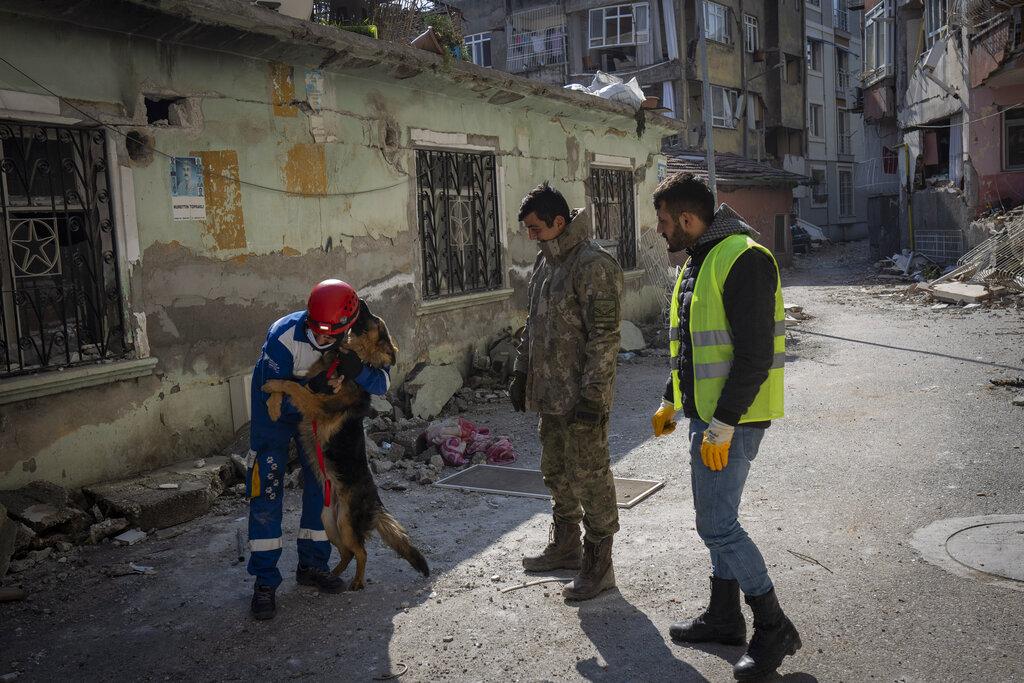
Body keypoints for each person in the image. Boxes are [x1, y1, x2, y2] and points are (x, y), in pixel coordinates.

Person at [649, 173, 800, 680]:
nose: (660, 231)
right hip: (710, 416)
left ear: (689, 220)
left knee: (717, 525)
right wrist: (672, 399)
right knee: (719, 516)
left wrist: (723, 425)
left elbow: (756, 355)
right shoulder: (699, 261)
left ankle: (773, 626)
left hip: (734, 419)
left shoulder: (744, 258)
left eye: (665, 222)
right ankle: (724, 615)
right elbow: (691, 346)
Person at [246, 279, 391, 620]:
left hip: (317, 419)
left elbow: (383, 383)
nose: (325, 340)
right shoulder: (283, 337)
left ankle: (312, 565)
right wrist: (315, 387)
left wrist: (359, 372)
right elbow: (275, 399)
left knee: (321, 490)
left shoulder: (357, 335)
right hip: (276, 416)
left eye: (334, 335)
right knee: (266, 491)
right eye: (319, 332)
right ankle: (264, 581)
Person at [509, 182, 623, 601]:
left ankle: (600, 563)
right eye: (528, 228)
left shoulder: (593, 265)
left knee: (590, 476)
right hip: (549, 396)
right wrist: (522, 372)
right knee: (556, 472)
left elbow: (605, 338)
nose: (531, 235)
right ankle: (566, 545)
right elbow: (533, 323)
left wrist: (594, 397)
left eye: (536, 227)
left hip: (582, 399)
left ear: (560, 222)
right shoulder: (545, 263)